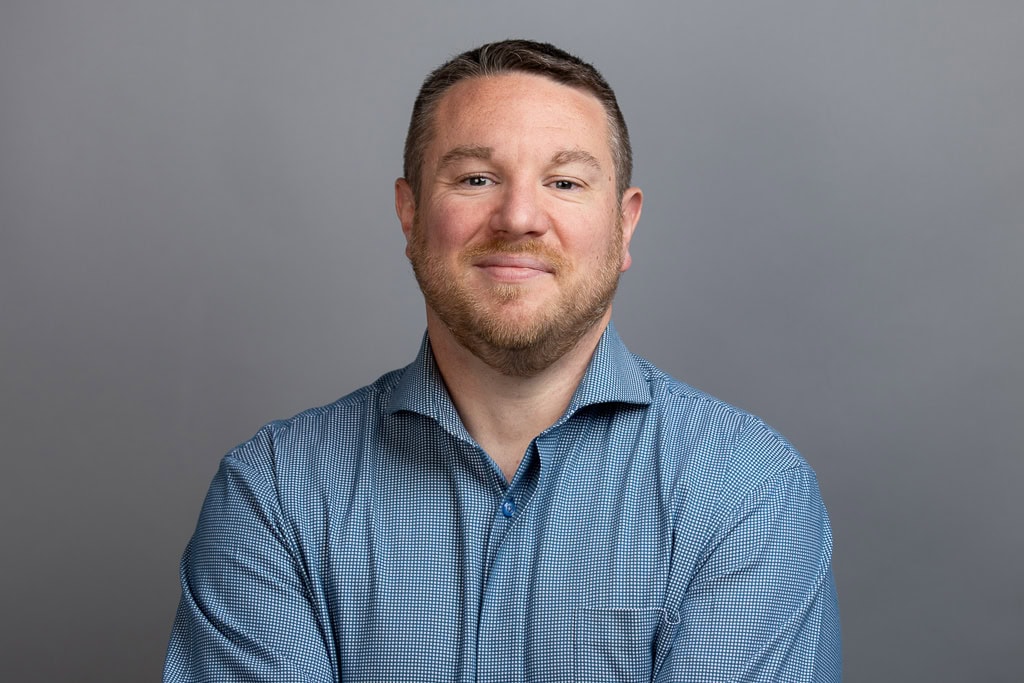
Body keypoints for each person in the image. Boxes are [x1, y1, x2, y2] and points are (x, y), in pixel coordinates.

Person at [164, 39, 841, 682]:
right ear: (409, 213)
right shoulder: (275, 495)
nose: (519, 216)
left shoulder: (748, 495)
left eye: (566, 182)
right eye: (477, 178)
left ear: (624, 224)